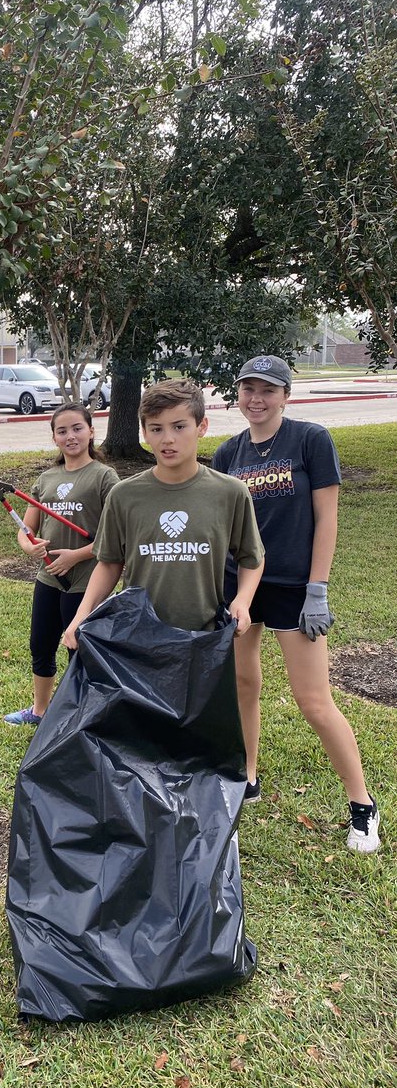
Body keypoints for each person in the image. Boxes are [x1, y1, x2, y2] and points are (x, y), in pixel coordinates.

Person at [211, 355, 380, 852]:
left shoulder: (310, 440)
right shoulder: (227, 453)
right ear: (237, 395)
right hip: (240, 583)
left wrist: (318, 588)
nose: (256, 399)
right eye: (248, 389)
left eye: (268, 389)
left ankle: (363, 806)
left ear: (286, 395)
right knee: (243, 684)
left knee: (313, 699)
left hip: (293, 586)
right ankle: (248, 777)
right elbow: (221, 527)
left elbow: (326, 519)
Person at [62, 376, 264, 651]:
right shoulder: (124, 496)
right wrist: (82, 613)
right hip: (138, 637)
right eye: (156, 429)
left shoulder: (230, 493)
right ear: (144, 432)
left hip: (203, 639)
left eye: (179, 426)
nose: (168, 439)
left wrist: (243, 600)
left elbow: (252, 558)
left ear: (201, 426)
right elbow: (109, 562)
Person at [3, 404, 119, 726]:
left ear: (91, 431)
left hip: (84, 581)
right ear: (54, 437)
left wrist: (76, 555)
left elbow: (114, 538)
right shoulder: (46, 478)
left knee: (77, 653)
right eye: (62, 431)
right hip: (48, 579)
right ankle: (40, 711)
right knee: (40, 646)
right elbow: (26, 530)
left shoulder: (103, 476)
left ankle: (78, 718)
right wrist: (30, 547)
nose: (71, 436)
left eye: (77, 428)